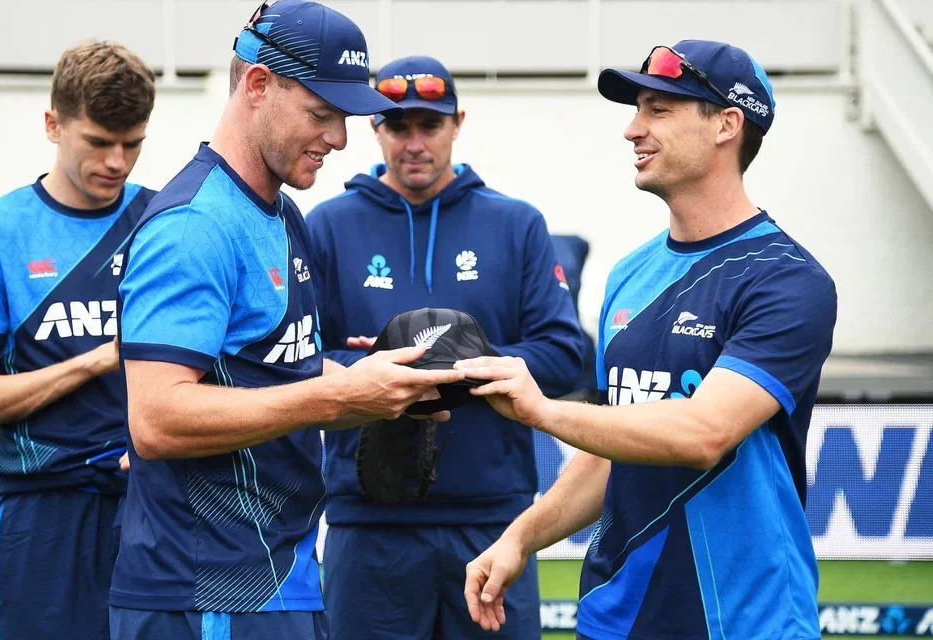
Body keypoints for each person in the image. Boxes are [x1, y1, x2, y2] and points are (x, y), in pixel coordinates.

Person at [460, 40, 837, 640]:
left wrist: (542, 411)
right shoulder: (629, 274)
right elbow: (618, 443)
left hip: (745, 621)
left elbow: (703, 434)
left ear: (727, 126)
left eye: (659, 109)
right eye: (637, 108)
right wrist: (520, 539)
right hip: (618, 617)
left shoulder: (788, 279)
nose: (633, 129)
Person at [109, 4, 463, 639]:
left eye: (346, 119)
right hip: (205, 591)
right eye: (321, 114)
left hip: (281, 576)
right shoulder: (193, 226)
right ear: (257, 85)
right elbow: (156, 418)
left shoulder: (280, 213)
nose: (340, 138)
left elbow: (282, 375)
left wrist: (388, 389)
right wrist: (335, 395)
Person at [306, 55, 584, 639]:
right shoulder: (327, 225)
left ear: (457, 123)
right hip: (368, 522)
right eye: (397, 126)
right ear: (374, 128)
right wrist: (373, 367)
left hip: (494, 522)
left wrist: (452, 364)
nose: (413, 143)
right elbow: (300, 358)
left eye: (429, 125)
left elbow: (563, 356)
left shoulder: (516, 224)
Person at [0, 41, 156, 639]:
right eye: (98, 142)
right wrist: (95, 362)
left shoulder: (169, 223)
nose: (116, 161)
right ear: (54, 125)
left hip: (156, 506)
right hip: (41, 517)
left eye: (132, 144)